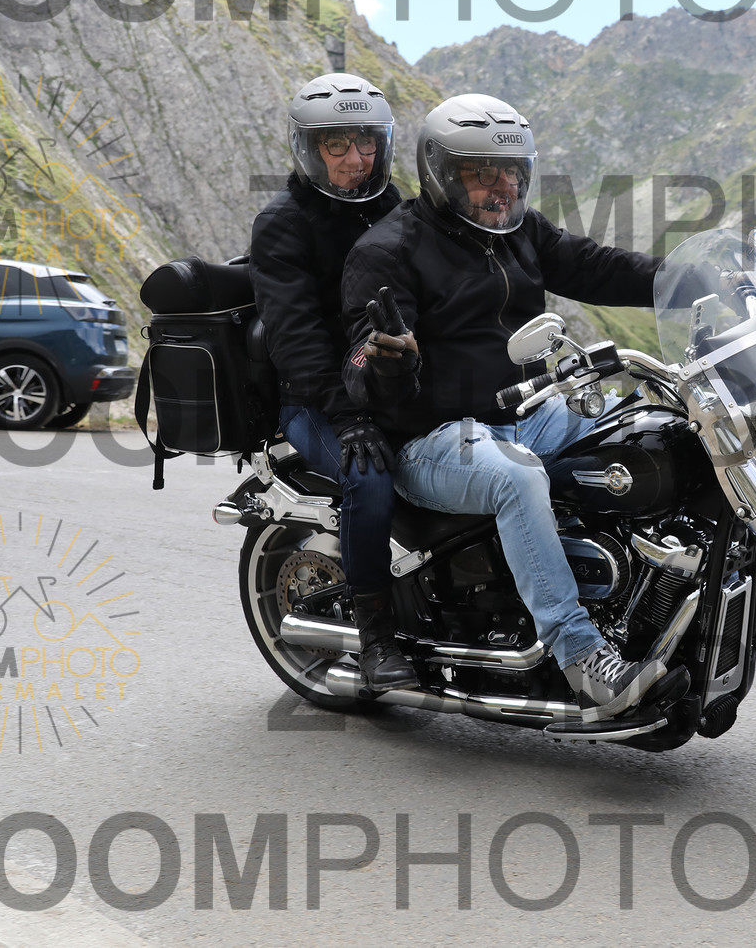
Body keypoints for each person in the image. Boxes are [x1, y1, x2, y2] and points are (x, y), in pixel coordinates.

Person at [342, 92, 665, 721]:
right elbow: (361, 360)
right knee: (517, 477)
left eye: (514, 172)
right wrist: (390, 361)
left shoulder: (521, 231)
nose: (504, 188)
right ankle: (581, 656)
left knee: (642, 427)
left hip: (526, 410)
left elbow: (598, 267)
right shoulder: (388, 251)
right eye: (483, 173)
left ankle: (643, 596)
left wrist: (683, 278)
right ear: (442, 173)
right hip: (431, 435)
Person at [249, 72, 415, 691]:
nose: (355, 158)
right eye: (337, 144)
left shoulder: (393, 206)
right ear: (309, 148)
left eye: (366, 143)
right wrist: (348, 416)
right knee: (369, 477)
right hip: (315, 400)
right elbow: (296, 338)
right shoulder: (283, 223)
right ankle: (376, 637)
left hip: (386, 385)